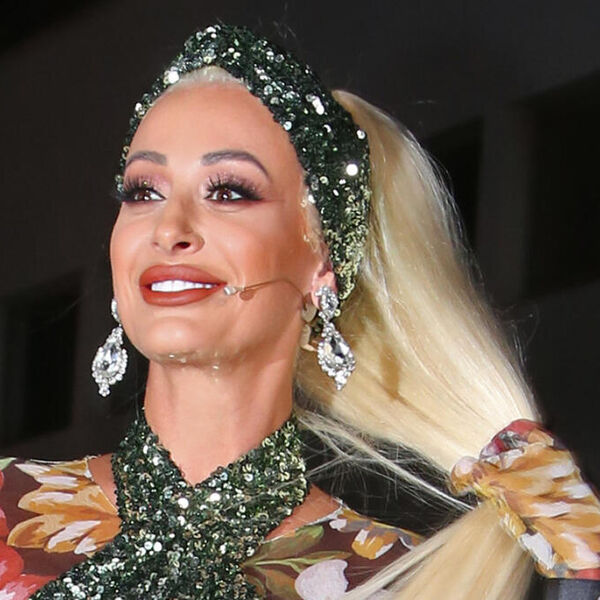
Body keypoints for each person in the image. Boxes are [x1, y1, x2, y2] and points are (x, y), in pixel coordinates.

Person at [0, 23, 597, 600]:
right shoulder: (9, 507)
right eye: (142, 191)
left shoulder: (394, 581)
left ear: (322, 263)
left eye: (228, 191)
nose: (168, 228)